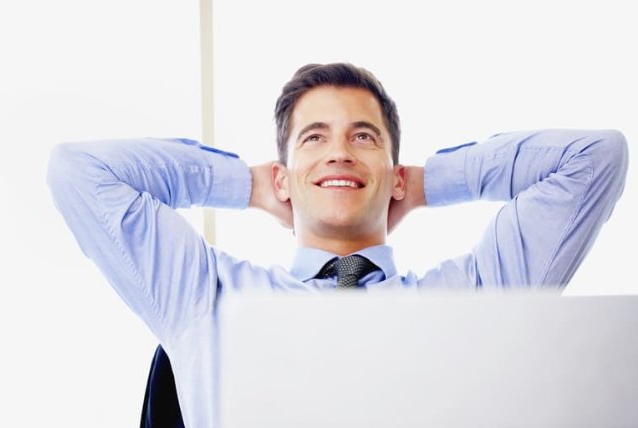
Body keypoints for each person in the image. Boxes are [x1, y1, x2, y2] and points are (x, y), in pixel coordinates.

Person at [47, 63, 628, 428]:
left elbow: (595, 158)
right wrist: (248, 185)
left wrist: (425, 184)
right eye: (315, 138)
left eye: (363, 137)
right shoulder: (206, 298)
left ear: (395, 173)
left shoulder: (472, 296)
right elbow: (79, 172)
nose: (340, 152)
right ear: (283, 175)